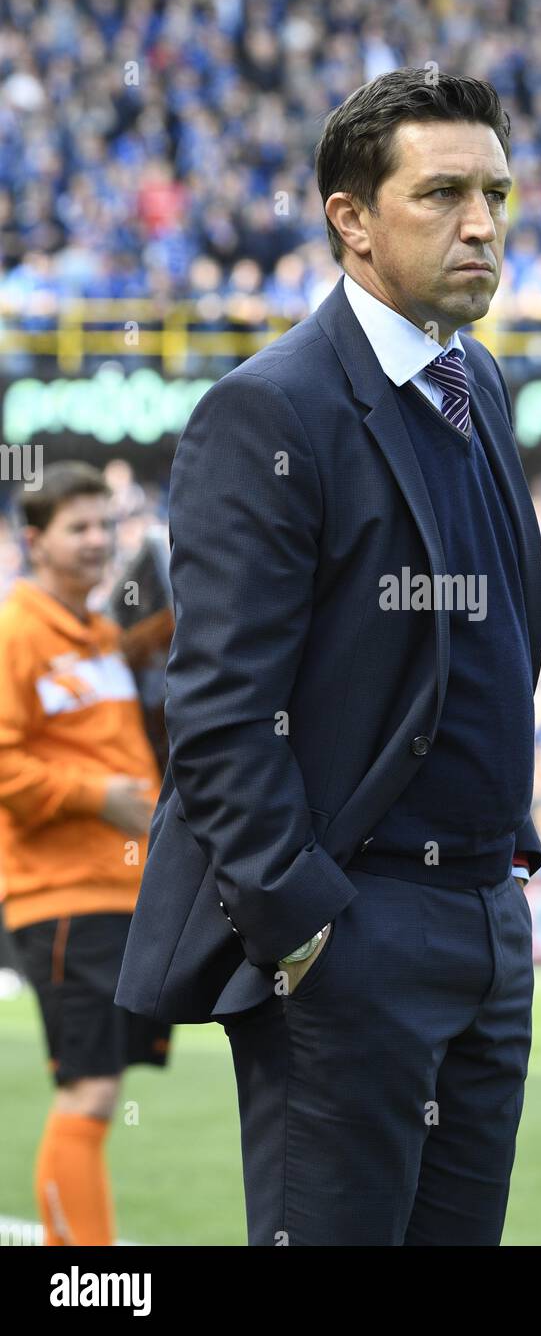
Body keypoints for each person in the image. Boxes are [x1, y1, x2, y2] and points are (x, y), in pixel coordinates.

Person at [116, 68, 541, 1246]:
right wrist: (304, 925)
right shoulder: (271, 411)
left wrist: (502, 879)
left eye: (496, 193)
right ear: (349, 220)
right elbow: (212, 711)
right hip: (352, 927)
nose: (481, 224)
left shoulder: (478, 383)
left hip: (482, 916)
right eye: (443, 193)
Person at [0, 462, 171, 1245]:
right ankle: (83, 1274)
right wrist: (97, 795)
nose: (99, 540)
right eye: (79, 527)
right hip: (61, 891)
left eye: (106, 524)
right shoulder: (16, 631)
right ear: (34, 540)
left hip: (121, 890)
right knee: (90, 1093)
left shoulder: (100, 632)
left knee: (101, 1092)